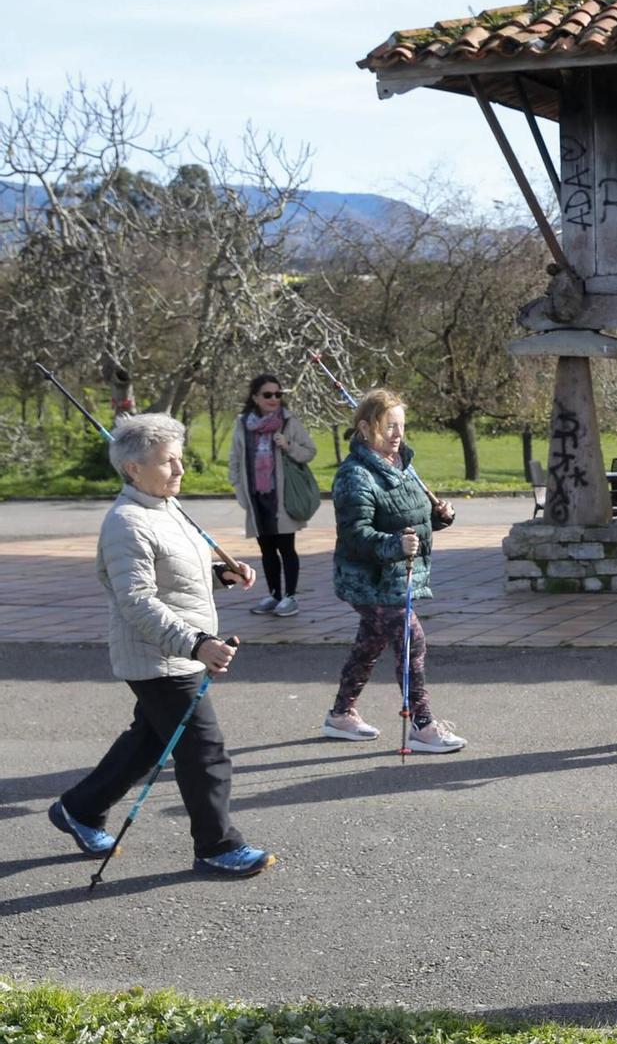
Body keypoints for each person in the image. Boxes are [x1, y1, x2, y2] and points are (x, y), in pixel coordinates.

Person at [49, 413, 274, 877]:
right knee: (204, 750)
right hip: (159, 656)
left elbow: (174, 577)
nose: (180, 470)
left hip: (178, 650)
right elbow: (138, 602)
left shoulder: (167, 508)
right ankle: (217, 845)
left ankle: (79, 809)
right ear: (133, 468)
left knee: (150, 741)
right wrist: (196, 644)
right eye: (168, 461)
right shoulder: (126, 523)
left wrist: (220, 576)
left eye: (180, 459)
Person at [324, 388, 463, 751]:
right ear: (366, 428)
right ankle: (423, 726)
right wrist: (393, 546)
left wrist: (438, 517)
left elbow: (411, 518)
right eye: (389, 426)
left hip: (395, 576)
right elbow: (355, 535)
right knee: (410, 639)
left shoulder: (403, 466)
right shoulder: (354, 475)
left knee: (370, 643)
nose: (397, 434)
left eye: (401, 425)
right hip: (369, 580)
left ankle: (340, 715)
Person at [227, 372, 318, 618]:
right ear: (255, 397)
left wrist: (287, 445)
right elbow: (235, 459)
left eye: (278, 394)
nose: (274, 399)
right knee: (266, 548)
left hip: (283, 496)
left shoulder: (288, 421)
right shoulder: (243, 424)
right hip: (257, 497)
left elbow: (310, 451)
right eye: (268, 394)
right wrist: (238, 488)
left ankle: (290, 597)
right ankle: (274, 594)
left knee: (286, 547)